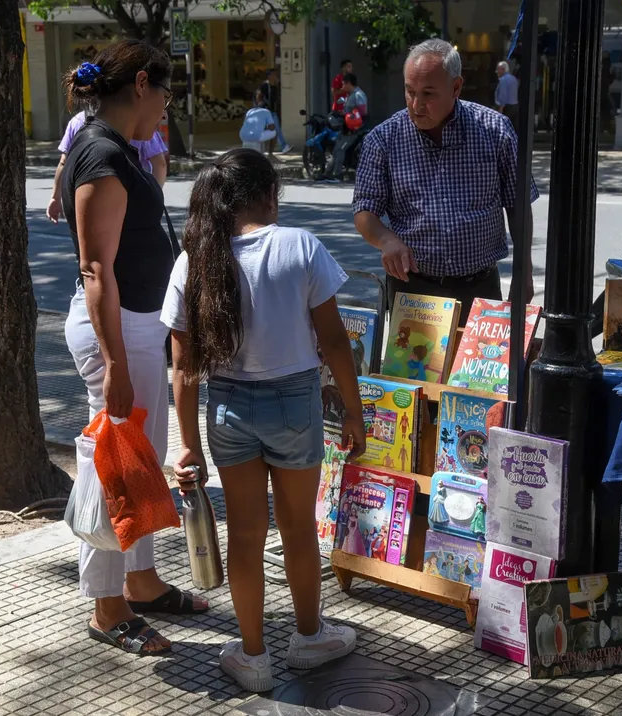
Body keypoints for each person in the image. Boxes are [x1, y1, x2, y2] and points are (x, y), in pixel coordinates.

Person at [161, 148, 365, 691]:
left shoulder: (194, 259)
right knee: (299, 529)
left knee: (246, 535)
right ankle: (308, 637)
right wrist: (353, 407)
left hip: (228, 408)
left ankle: (252, 656)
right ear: (268, 194)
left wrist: (187, 447)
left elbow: (182, 367)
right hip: (294, 404)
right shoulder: (300, 246)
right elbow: (335, 341)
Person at [59, 39, 208, 656]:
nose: (167, 106)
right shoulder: (99, 153)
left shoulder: (114, 148)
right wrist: (116, 363)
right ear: (142, 84)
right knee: (114, 467)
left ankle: (141, 582)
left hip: (138, 328)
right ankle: (107, 604)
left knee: (138, 465)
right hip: (118, 334)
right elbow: (97, 270)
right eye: (167, 92)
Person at [352, 39, 538, 325]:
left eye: (428, 94)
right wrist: (387, 240)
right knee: (413, 370)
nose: (416, 105)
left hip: (479, 288)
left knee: (479, 369)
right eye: (410, 92)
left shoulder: (494, 131)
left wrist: (523, 274)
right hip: (413, 290)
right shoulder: (383, 140)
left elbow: (518, 206)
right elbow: (364, 210)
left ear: (456, 88)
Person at [48, 108, 169, 223]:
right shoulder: (135, 122)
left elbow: (63, 162)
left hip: (86, 202)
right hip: (133, 203)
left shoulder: (77, 121)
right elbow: (160, 164)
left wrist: (55, 198)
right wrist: (153, 199)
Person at [322, 73, 367, 183]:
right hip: (346, 127)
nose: (342, 87)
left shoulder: (358, 95)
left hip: (354, 129)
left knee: (340, 149)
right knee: (336, 149)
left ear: (348, 83)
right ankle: (327, 174)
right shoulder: (350, 94)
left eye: (343, 84)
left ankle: (338, 175)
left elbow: (363, 113)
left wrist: (350, 116)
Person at [256, 68, 291, 154]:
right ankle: (281, 146)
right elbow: (258, 95)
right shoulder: (264, 86)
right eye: (274, 75)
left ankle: (278, 148)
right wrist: (261, 106)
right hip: (266, 111)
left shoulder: (274, 86)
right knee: (270, 130)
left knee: (274, 130)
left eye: (276, 74)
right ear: (269, 76)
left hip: (272, 111)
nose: (276, 76)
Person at [494, 61, 519, 130]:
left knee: (505, 128)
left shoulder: (503, 80)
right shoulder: (514, 78)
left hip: (507, 108)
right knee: (514, 128)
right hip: (515, 106)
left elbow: (503, 95)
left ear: (503, 69)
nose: (496, 71)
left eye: (498, 69)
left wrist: (500, 109)